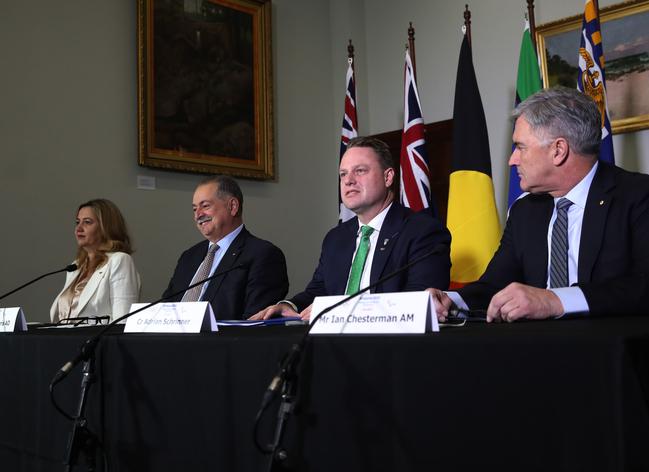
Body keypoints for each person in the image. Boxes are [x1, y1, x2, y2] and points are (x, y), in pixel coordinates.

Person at [430, 87, 649, 323]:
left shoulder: (637, 196)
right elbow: (494, 285)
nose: (511, 160)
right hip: (536, 348)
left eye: (520, 147)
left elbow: (642, 286)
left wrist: (554, 300)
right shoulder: (525, 210)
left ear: (558, 151)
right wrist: (452, 300)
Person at [251, 136, 451, 321]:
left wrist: (343, 310)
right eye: (343, 174)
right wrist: (288, 305)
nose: (348, 180)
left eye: (360, 171)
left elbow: (420, 303)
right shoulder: (336, 238)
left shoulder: (423, 231)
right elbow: (318, 291)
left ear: (388, 177)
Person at [162, 175, 289, 320]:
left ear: (232, 206)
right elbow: (167, 306)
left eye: (205, 206)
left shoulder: (263, 255)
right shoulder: (189, 257)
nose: (198, 215)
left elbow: (254, 322)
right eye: (194, 209)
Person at [50, 199, 141, 324]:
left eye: (87, 222)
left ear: (106, 227)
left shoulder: (119, 260)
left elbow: (123, 321)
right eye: (77, 222)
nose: (79, 228)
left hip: (98, 343)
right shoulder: (75, 266)